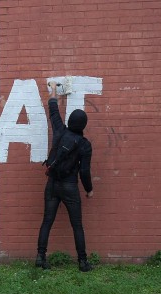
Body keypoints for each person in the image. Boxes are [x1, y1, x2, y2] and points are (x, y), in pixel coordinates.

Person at [35, 81, 94, 272]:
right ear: (83, 125)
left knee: (47, 221)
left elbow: (53, 110)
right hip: (69, 186)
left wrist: (53, 90)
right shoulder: (84, 145)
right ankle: (83, 262)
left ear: (69, 122)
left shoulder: (60, 131)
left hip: (52, 183)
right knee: (77, 225)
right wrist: (89, 190)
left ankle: (40, 257)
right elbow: (84, 171)